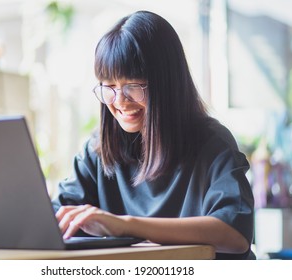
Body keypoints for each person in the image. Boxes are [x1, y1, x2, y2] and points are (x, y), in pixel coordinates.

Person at [53, 10, 255, 259]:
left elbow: (235, 234)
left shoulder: (212, 143)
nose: (120, 101)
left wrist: (125, 225)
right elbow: (55, 218)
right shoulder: (98, 150)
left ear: (167, 83)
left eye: (133, 85)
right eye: (110, 86)